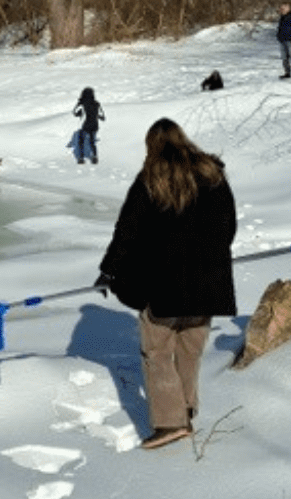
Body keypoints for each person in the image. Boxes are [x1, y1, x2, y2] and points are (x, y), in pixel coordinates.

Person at [94, 119, 237, 450]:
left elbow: (127, 231)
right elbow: (228, 226)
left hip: (166, 286)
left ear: (152, 146)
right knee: (189, 350)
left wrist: (109, 271)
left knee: (157, 352)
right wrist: (210, 260)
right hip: (208, 285)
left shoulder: (151, 179)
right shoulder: (214, 176)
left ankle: (171, 423)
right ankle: (185, 409)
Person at [72, 87, 105, 164]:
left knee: (81, 141)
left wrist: (79, 106)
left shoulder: (82, 103)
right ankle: (94, 157)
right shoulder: (97, 103)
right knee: (92, 142)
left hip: (84, 124)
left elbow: (75, 112)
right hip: (95, 125)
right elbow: (102, 116)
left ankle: (81, 158)